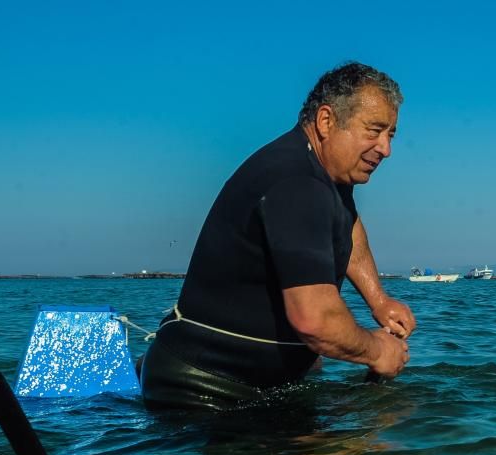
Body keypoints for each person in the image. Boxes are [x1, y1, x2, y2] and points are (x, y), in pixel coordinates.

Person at [140, 62, 415, 410]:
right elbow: (315, 320)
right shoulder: (297, 184)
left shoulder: (327, 178)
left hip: (258, 390)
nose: (385, 149)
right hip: (202, 395)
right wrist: (377, 351)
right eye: (374, 131)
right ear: (327, 121)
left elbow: (348, 225)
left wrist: (378, 299)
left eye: (391, 134)